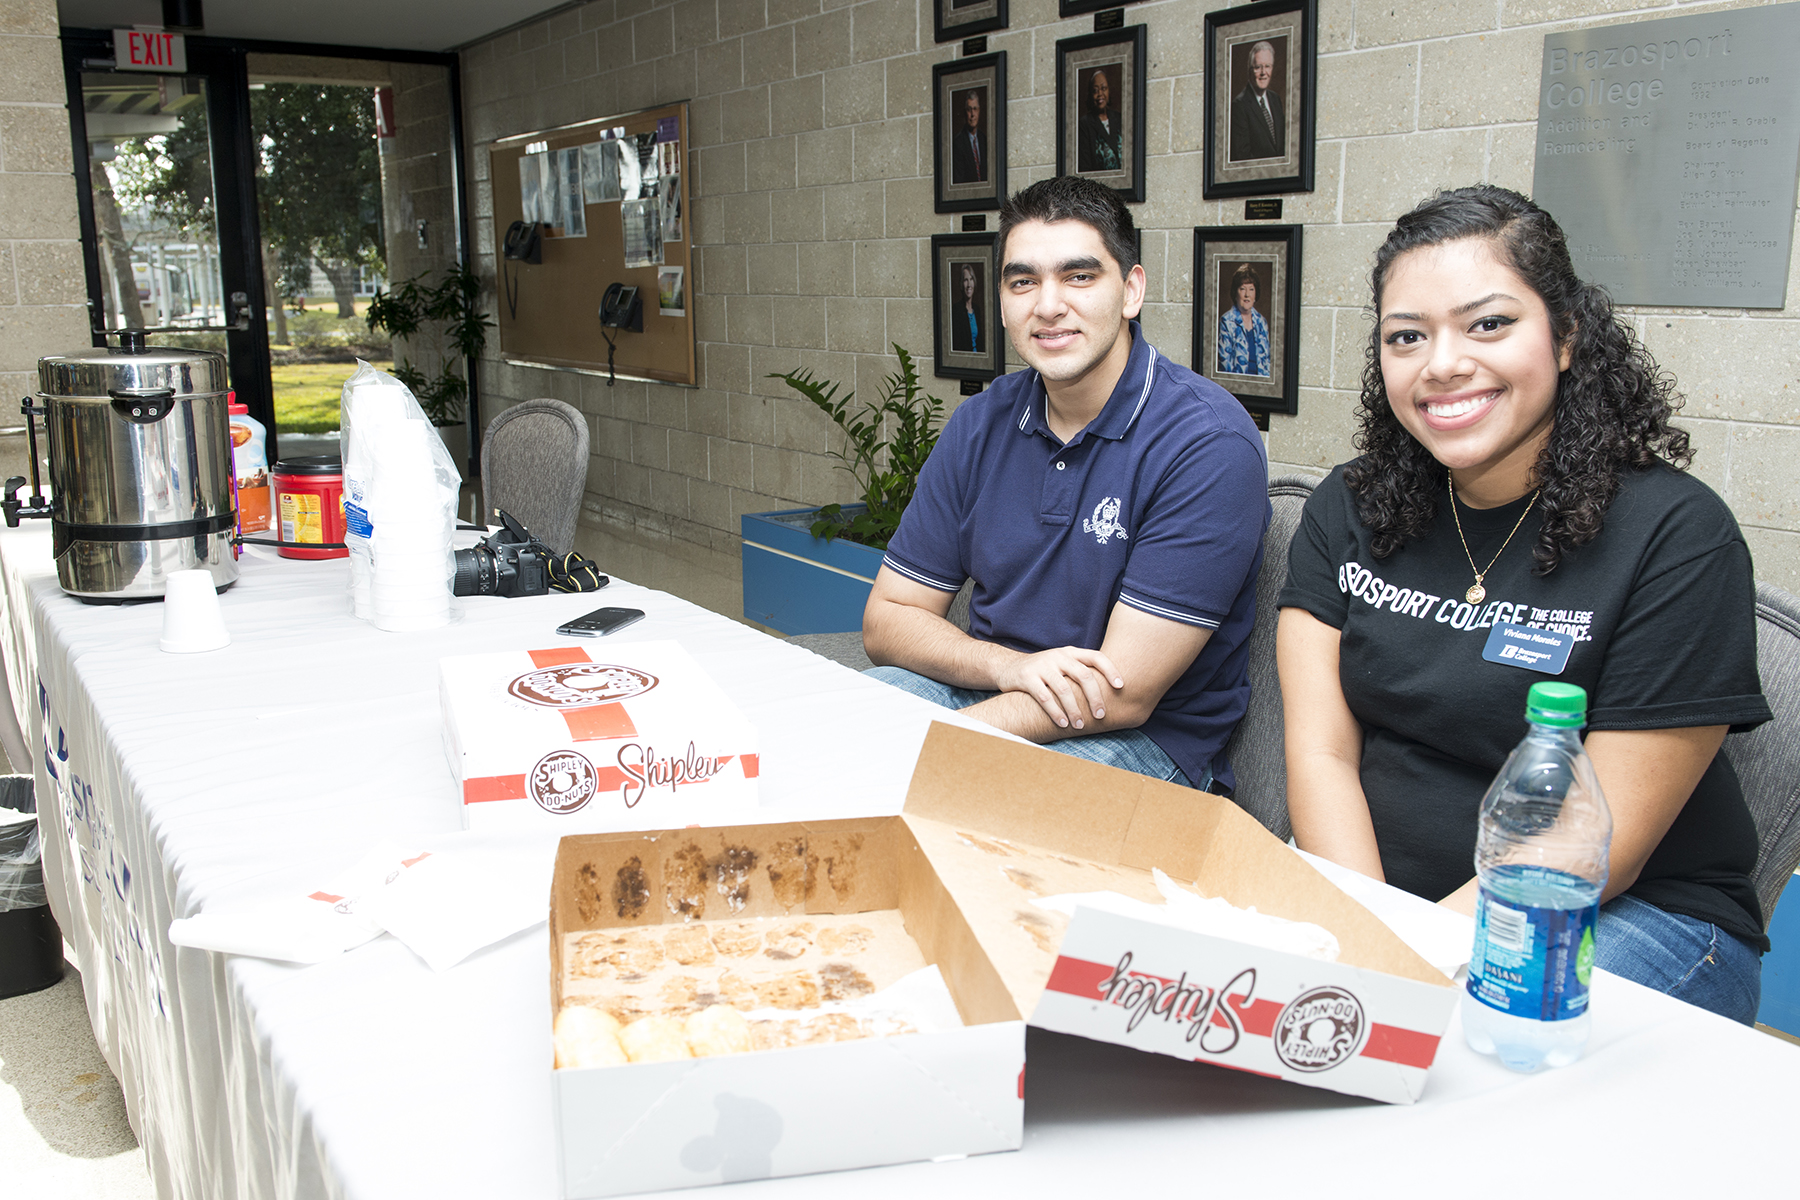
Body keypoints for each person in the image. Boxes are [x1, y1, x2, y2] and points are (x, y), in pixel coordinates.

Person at [1276, 185, 1771, 1023]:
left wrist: (1411, 968)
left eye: (1488, 324)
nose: (1441, 363)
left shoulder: (1678, 536)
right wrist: (1371, 943)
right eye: (1407, 337)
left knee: (1440, 1070)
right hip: (1383, 902)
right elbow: (1320, 756)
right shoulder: (1347, 510)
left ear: (1567, 335)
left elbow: (1602, 842)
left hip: (1620, 912)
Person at [863, 175, 1270, 791]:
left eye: (1079, 277)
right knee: (843, 723)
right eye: (1023, 280)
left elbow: (1121, 694)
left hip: (1137, 744)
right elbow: (887, 619)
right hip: (994, 691)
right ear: (1002, 302)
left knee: (946, 792)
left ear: (1131, 291)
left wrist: (945, 743)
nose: (1047, 305)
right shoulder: (980, 422)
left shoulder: (1208, 444)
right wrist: (1009, 669)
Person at [1229, 41, 1284, 162]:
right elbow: (1242, 157)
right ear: (1249, 70)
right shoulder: (1239, 106)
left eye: (1268, 66)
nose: (1264, 73)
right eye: (1258, 67)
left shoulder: (1275, 99)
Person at [1216, 263, 1271, 378]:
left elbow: (1267, 363)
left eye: (1251, 289)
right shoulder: (1226, 321)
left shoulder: (1262, 322)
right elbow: (1225, 365)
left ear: (1256, 293)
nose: (1247, 295)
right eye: (1242, 289)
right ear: (1235, 293)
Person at [1077, 68, 1122, 174]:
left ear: (1109, 91)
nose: (1100, 94)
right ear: (1090, 95)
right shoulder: (1085, 123)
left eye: (1103, 88)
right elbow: (1085, 167)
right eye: (1095, 90)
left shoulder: (1119, 118)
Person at [951, 88, 988, 184]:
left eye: (975, 109)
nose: (972, 114)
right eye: (969, 110)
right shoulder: (957, 143)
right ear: (965, 112)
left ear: (979, 111)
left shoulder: (984, 140)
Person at [951, 262, 983, 353]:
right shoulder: (956, 310)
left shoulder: (976, 309)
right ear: (961, 283)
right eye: (965, 280)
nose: (969, 284)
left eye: (971, 279)